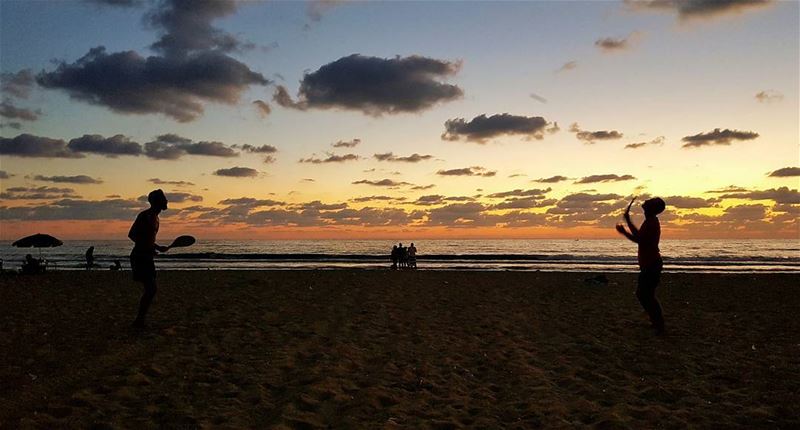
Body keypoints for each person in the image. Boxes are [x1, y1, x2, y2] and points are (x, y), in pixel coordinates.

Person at [616, 196, 666, 336]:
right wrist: (628, 220)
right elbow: (640, 235)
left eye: (649, 202)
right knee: (645, 295)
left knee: (645, 295)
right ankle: (656, 322)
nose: (646, 201)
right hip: (650, 264)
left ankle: (659, 324)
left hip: (651, 264)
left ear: (652, 208)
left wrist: (624, 232)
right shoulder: (650, 221)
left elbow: (640, 240)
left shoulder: (651, 222)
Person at [128, 189, 170, 328]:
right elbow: (132, 235)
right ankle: (139, 321)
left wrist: (156, 247)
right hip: (140, 256)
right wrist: (149, 248)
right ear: (157, 201)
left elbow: (148, 240)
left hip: (146, 256)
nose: (167, 201)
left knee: (151, 289)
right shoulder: (145, 216)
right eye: (164, 198)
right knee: (151, 289)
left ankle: (140, 321)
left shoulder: (156, 218)